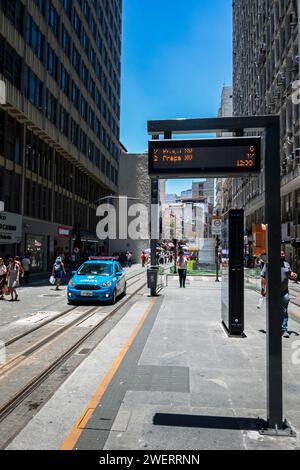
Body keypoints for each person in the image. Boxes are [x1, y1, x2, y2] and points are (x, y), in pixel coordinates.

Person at [261, 251, 298, 338]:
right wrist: (263, 289)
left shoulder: (286, 264)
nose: (283, 254)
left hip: (284, 291)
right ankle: (273, 328)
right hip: (273, 292)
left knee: (284, 311)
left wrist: (293, 275)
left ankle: (284, 329)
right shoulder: (269, 264)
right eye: (281, 253)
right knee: (273, 310)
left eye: (283, 253)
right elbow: (263, 276)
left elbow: (289, 274)